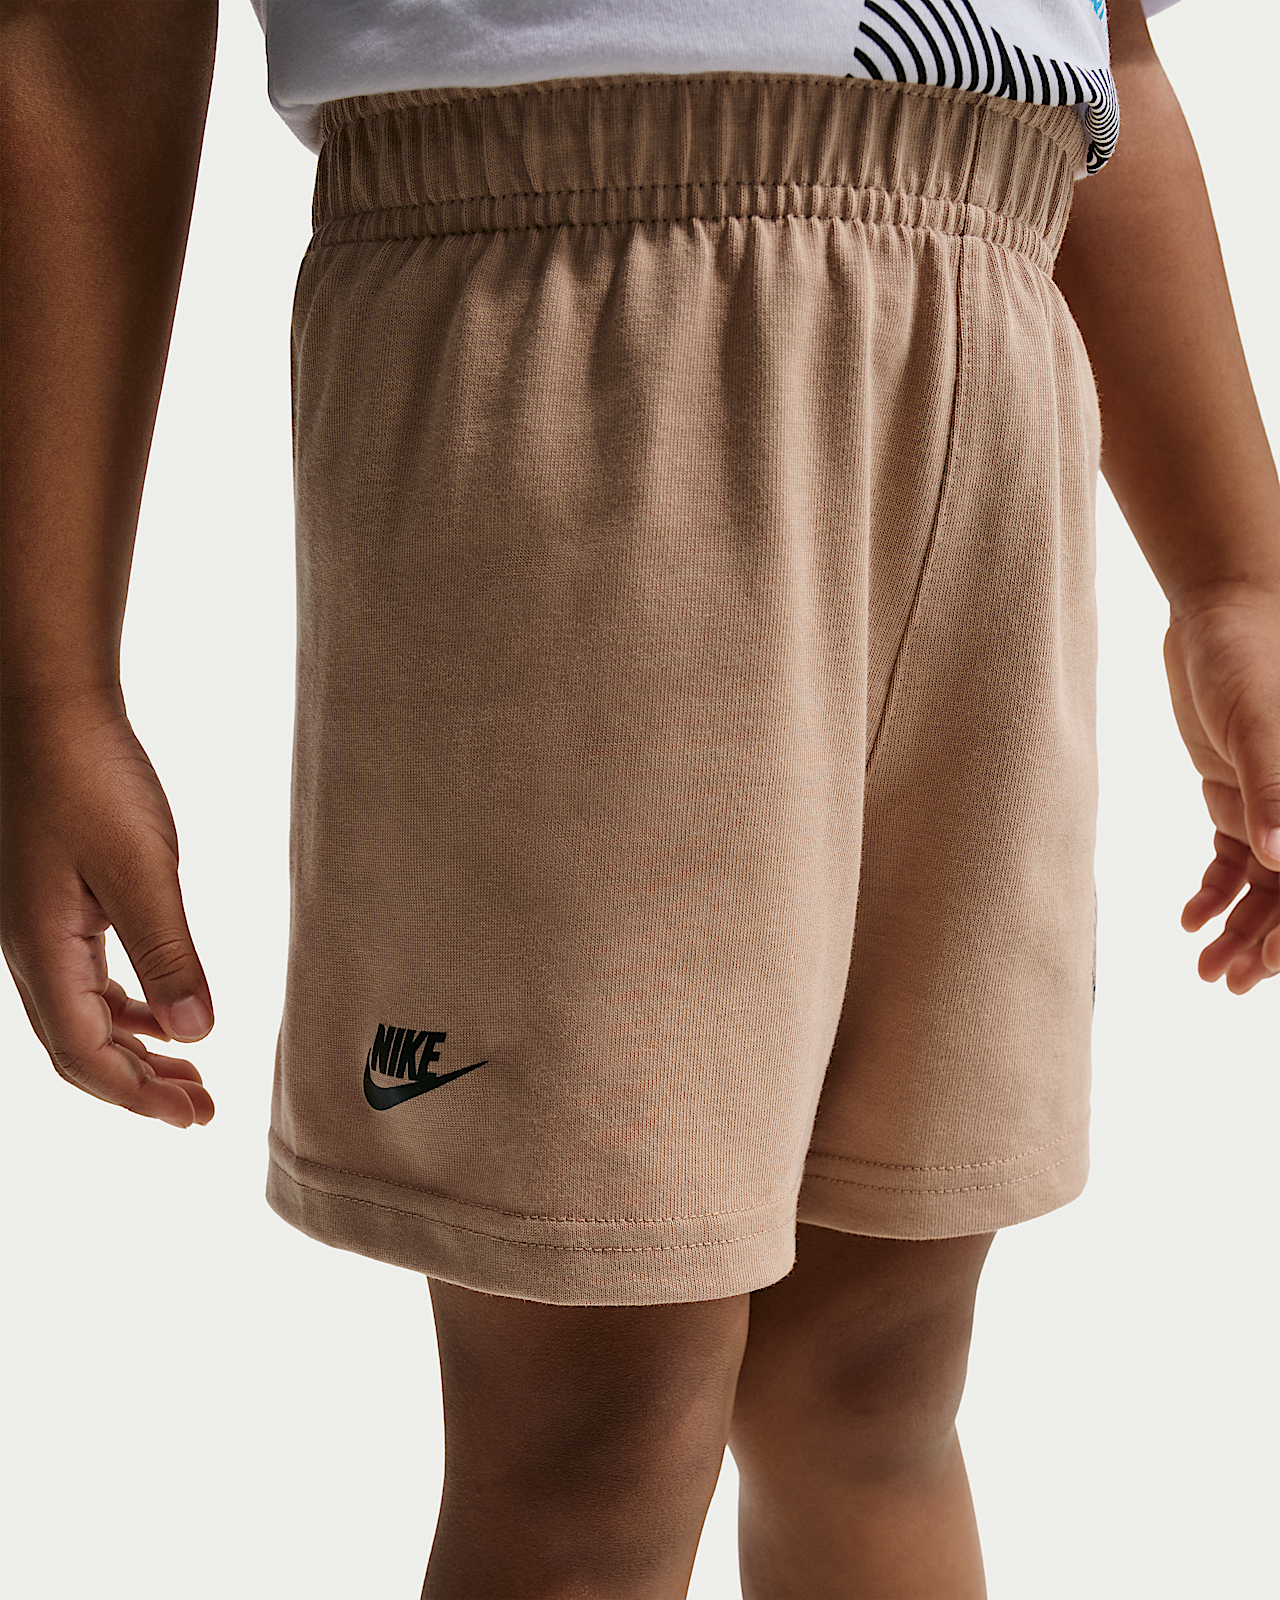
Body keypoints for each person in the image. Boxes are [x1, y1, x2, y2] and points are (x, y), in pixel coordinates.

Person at [2, 1, 1276, 1596]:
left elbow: (1113, 48)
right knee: (594, 1428)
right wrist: (50, 683)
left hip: (1000, 311)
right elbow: (84, 38)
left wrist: (1234, 574)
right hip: (576, 311)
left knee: (871, 1378)